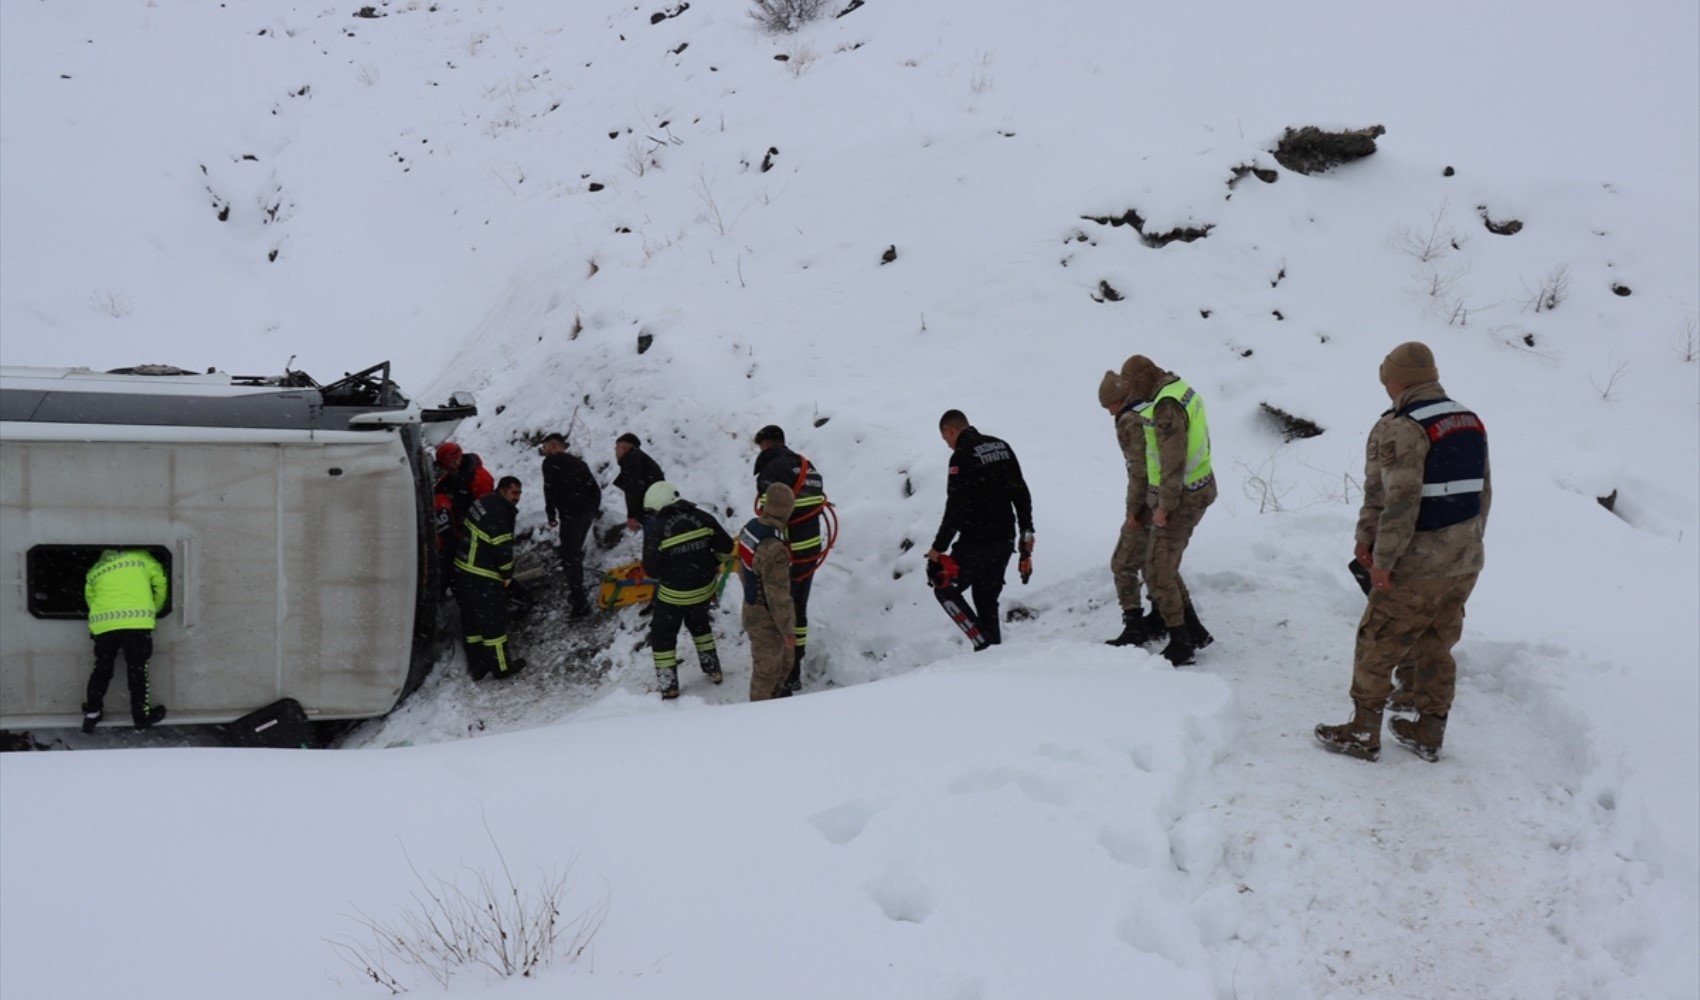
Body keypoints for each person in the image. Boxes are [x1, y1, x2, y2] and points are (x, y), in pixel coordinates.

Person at [1317, 342, 1489, 762]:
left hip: (1418, 561)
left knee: (1377, 639)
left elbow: (1397, 500)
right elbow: (1484, 491)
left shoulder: (1400, 426)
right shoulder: (1467, 419)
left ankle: (1362, 732)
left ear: (1399, 380)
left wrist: (1382, 559)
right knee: (1437, 642)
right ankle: (1429, 731)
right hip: (1464, 557)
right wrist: (1470, 542)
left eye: (1386, 377)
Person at [1121, 355, 1216, 666]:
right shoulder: (1179, 389)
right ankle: (1194, 630)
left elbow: (1172, 459)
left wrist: (1165, 505)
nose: (1132, 396)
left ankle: (1181, 642)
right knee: (1164, 563)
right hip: (1196, 487)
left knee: (1157, 570)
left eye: (1133, 388)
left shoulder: (1165, 406)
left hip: (1182, 496)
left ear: (1143, 381)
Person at [924, 410, 1034, 649]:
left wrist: (937, 549)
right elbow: (1021, 492)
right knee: (985, 599)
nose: (948, 445)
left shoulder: (961, 457)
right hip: (1005, 538)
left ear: (949, 431)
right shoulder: (1001, 446)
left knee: (944, 590)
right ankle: (992, 657)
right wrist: (1026, 535)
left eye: (946, 440)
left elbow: (955, 508)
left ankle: (983, 645)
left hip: (977, 541)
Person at [642, 480, 735, 700]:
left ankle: (669, 685)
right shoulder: (702, 516)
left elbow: (651, 571)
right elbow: (727, 548)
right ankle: (713, 669)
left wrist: (671, 568)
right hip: (704, 588)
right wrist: (713, 563)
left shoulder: (656, 529)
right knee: (699, 623)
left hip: (675, 593)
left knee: (662, 634)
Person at [752, 425, 826, 692]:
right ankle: (795, 670)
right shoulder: (806, 466)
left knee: (781, 611)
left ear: (766, 444)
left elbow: (768, 513)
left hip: (786, 552)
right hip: (809, 550)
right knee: (799, 609)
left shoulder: (772, 469)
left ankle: (783, 673)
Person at [1098, 367, 1158, 647]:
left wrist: (1132, 511)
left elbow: (1139, 470)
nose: (1109, 412)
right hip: (1161, 500)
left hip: (1146, 503)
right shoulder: (1147, 408)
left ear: (1120, 399)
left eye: (1109, 405)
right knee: (1152, 561)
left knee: (1122, 564)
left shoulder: (1130, 421)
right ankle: (1160, 615)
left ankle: (1134, 625)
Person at [80, 548, 170, 732]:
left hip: (104, 627)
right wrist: (155, 608)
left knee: (101, 670)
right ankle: (141, 717)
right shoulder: (141, 558)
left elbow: (91, 600)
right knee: (137, 671)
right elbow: (160, 582)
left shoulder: (95, 569)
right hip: (136, 624)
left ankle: (92, 713)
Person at [453, 476, 528, 681]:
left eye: (519, 494)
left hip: (464, 570)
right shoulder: (499, 514)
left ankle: (478, 666)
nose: (517, 498)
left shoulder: (484, 502)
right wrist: (506, 575)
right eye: (514, 493)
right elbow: (502, 549)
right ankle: (501, 667)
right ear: (503, 490)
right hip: (482, 573)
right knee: (493, 622)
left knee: (473, 623)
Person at [737, 483, 798, 701]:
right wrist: (788, 631)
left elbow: (741, 566)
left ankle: (774, 704)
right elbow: (778, 596)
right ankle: (760, 717)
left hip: (752, 605)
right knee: (767, 672)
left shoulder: (750, 528)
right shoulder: (774, 548)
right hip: (767, 617)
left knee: (782, 663)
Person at [540, 432, 600, 617]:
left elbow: (548, 490)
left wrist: (551, 513)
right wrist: (592, 509)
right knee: (573, 553)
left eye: (545, 447)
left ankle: (580, 601)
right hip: (584, 514)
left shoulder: (550, 463)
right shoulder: (579, 463)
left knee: (569, 557)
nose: (543, 451)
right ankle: (578, 591)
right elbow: (594, 488)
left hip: (570, 515)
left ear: (552, 446)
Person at [613, 433, 666, 534]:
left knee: (654, 543)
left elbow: (633, 488)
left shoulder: (631, 459)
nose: (615, 452)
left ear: (623, 448)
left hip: (652, 512)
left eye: (616, 448)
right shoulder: (639, 458)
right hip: (657, 509)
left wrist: (632, 516)